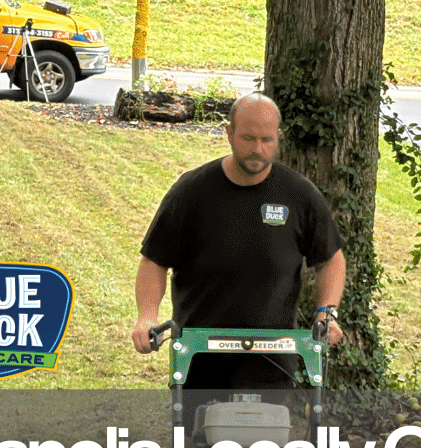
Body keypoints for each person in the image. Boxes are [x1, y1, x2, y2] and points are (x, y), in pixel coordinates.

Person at [132, 92, 345, 364]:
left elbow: (331, 259)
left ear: (278, 137)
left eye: (266, 140)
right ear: (229, 133)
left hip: (273, 359)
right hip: (199, 355)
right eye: (248, 138)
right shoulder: (191, 192)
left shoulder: (299, 195)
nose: (258, 148)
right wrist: (147, 316)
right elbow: (154, 261)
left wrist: (326, 313)